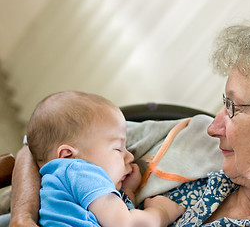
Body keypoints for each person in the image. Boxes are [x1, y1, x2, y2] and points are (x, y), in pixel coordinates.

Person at [8, 3, 250, 226]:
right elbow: (42, 145)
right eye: (224, 102)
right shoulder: (194, 139)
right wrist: (24, 217)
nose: (215, 126)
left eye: (235, 108)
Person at [22, 91, 184, 227]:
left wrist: (127, 191)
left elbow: (110, 215)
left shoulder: (59, 182)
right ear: (68, 155)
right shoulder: (78, 170)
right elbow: (126, 224)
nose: (130, 156)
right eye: (117, 148)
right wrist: (161, 213)